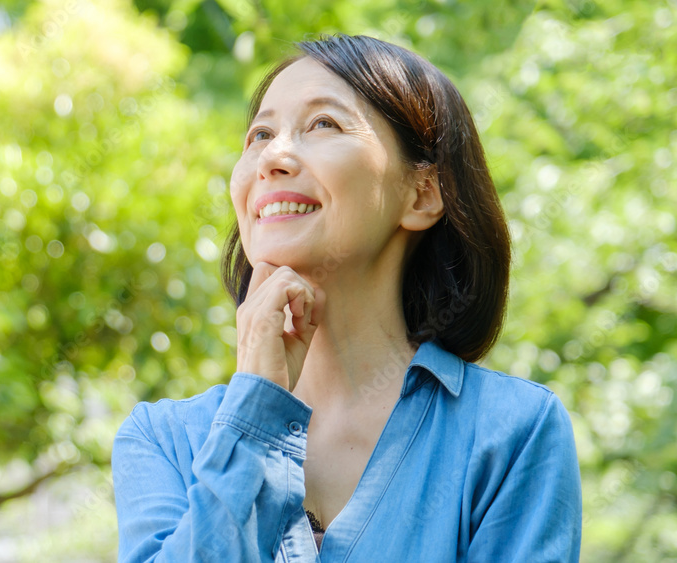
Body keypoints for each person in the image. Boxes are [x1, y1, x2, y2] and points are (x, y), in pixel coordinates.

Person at [111, 33, 582, 562]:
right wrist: (255, 415)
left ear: (421, 193)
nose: (273, 156)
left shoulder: (512, 433)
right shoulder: (164, 441)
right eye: (260, 134)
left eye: (323, 124)